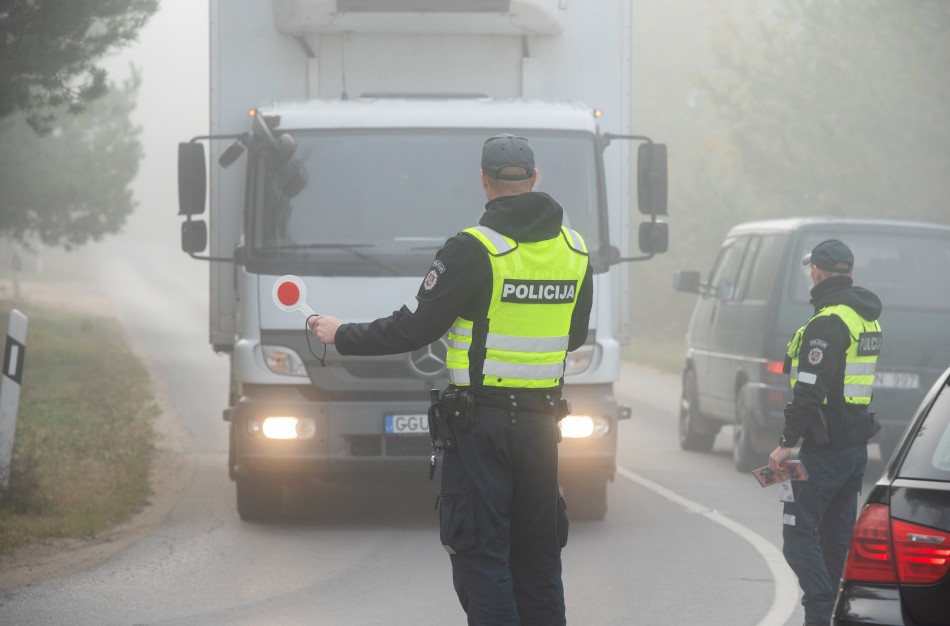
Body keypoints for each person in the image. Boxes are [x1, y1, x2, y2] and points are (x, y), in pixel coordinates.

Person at [309, 133, 593, 626]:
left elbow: (416, 327)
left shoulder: (473, 248)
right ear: (535, 178)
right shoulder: (574, 248)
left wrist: (341, 334)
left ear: (483, 181)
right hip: (541, 428)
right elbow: (574, 336)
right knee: (539, 557)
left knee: (482, 554)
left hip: (482, 428)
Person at [767, 238, 883, 626]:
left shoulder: (828, 322)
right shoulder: (866, 318)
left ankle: (819, 612)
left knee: (798, 537)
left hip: (826, 451)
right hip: (853, 451)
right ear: (849, 272)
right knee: (834, 542)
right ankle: (832, 615)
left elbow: (810, 392)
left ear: (816, 272)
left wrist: (785, 444)